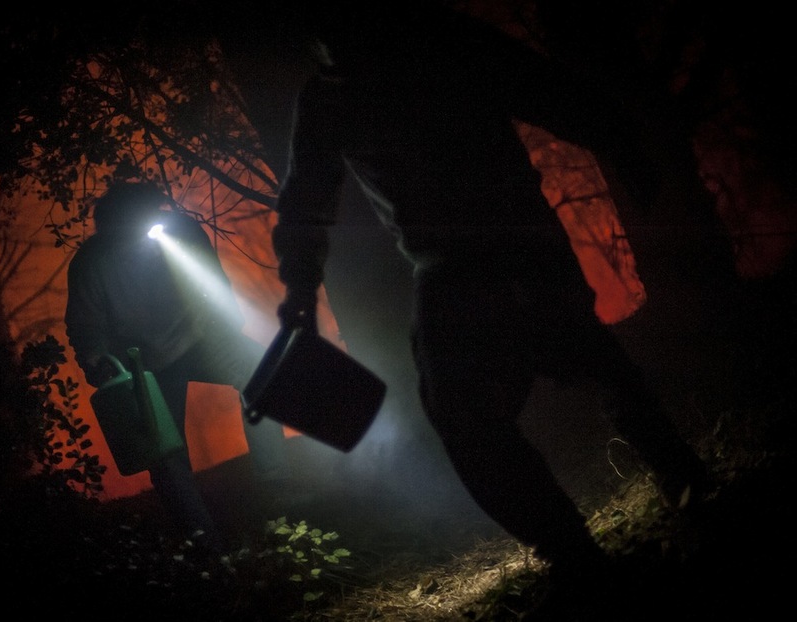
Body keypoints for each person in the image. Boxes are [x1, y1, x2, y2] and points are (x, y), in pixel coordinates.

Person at [270, 2, 712, 594]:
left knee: (582, 358)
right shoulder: (336, 92)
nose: (333, 43)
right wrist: (299, 282)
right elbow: (308, 197)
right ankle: (587, 545)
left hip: (509, 241)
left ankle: (673, 493)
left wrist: (619, 142)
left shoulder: (431, 44)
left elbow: (544, 89)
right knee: (488, 401)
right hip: (459, 263)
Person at [65, 181, 289, 553]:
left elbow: (211, 279)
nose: (155, 221)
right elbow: (85, 327)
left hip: (200, 338)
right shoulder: (92, 261)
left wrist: (227, 321)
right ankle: (204, 542)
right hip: (145, 364)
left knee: (262, 372)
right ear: (116, 222)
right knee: (165, 452)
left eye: (157, 214)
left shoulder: (178, 231)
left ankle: (277, 488)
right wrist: (99, 363)